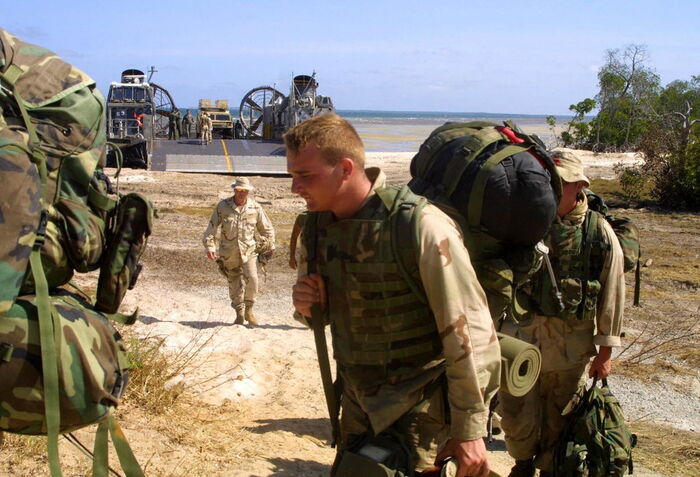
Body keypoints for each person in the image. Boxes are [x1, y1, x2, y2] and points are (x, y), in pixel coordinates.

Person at [285, 114, 500, 477]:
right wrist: (309, 307)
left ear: (345, 168)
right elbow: (325, 317)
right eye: (292, 175)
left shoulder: (420, 226)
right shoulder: (317, 228)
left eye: (305, 175)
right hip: (357, 402)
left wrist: (469, 429)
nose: (295, 188)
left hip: (420, 411)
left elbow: (470, 332)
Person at [497, 149, 626, 477]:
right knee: (514, 414)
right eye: (549, 181)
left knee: (560, 419)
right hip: (522, 340)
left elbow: (613, 292)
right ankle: (522, 464)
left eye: (562, 183)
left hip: (569, 349)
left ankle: (550, 468)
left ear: (580, 185)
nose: (554, 189)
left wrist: (605, 352)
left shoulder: (599, 233)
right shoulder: (527, 223)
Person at [203, 177, 275, 325]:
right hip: (229, 253)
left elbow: (267, 229)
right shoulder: (223, 207)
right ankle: (239, 313)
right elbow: (211, 228)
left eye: (245, 191)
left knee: (253, 279)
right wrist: (210, 246)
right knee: (234, 282)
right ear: (235, 190)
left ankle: (249, 310)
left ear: (248, 191)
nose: (242, 193)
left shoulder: (255, 208)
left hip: (249, 251)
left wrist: (270, 245)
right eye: (239, 190)